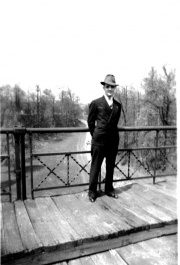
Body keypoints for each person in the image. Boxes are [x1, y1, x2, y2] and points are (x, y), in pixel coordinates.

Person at [87, 74, 121, 202]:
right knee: (95, 166)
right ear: (104, 87)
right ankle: (92, 192)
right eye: (107, 86)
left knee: (110, 166)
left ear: (114, 88)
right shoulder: (96, 103)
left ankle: (109, 189)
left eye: (112, 87)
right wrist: (96, 134)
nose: (110, 89)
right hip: (99, 141)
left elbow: (115, 123)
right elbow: (90, 122)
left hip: (112, 141)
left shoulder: (118, 105)